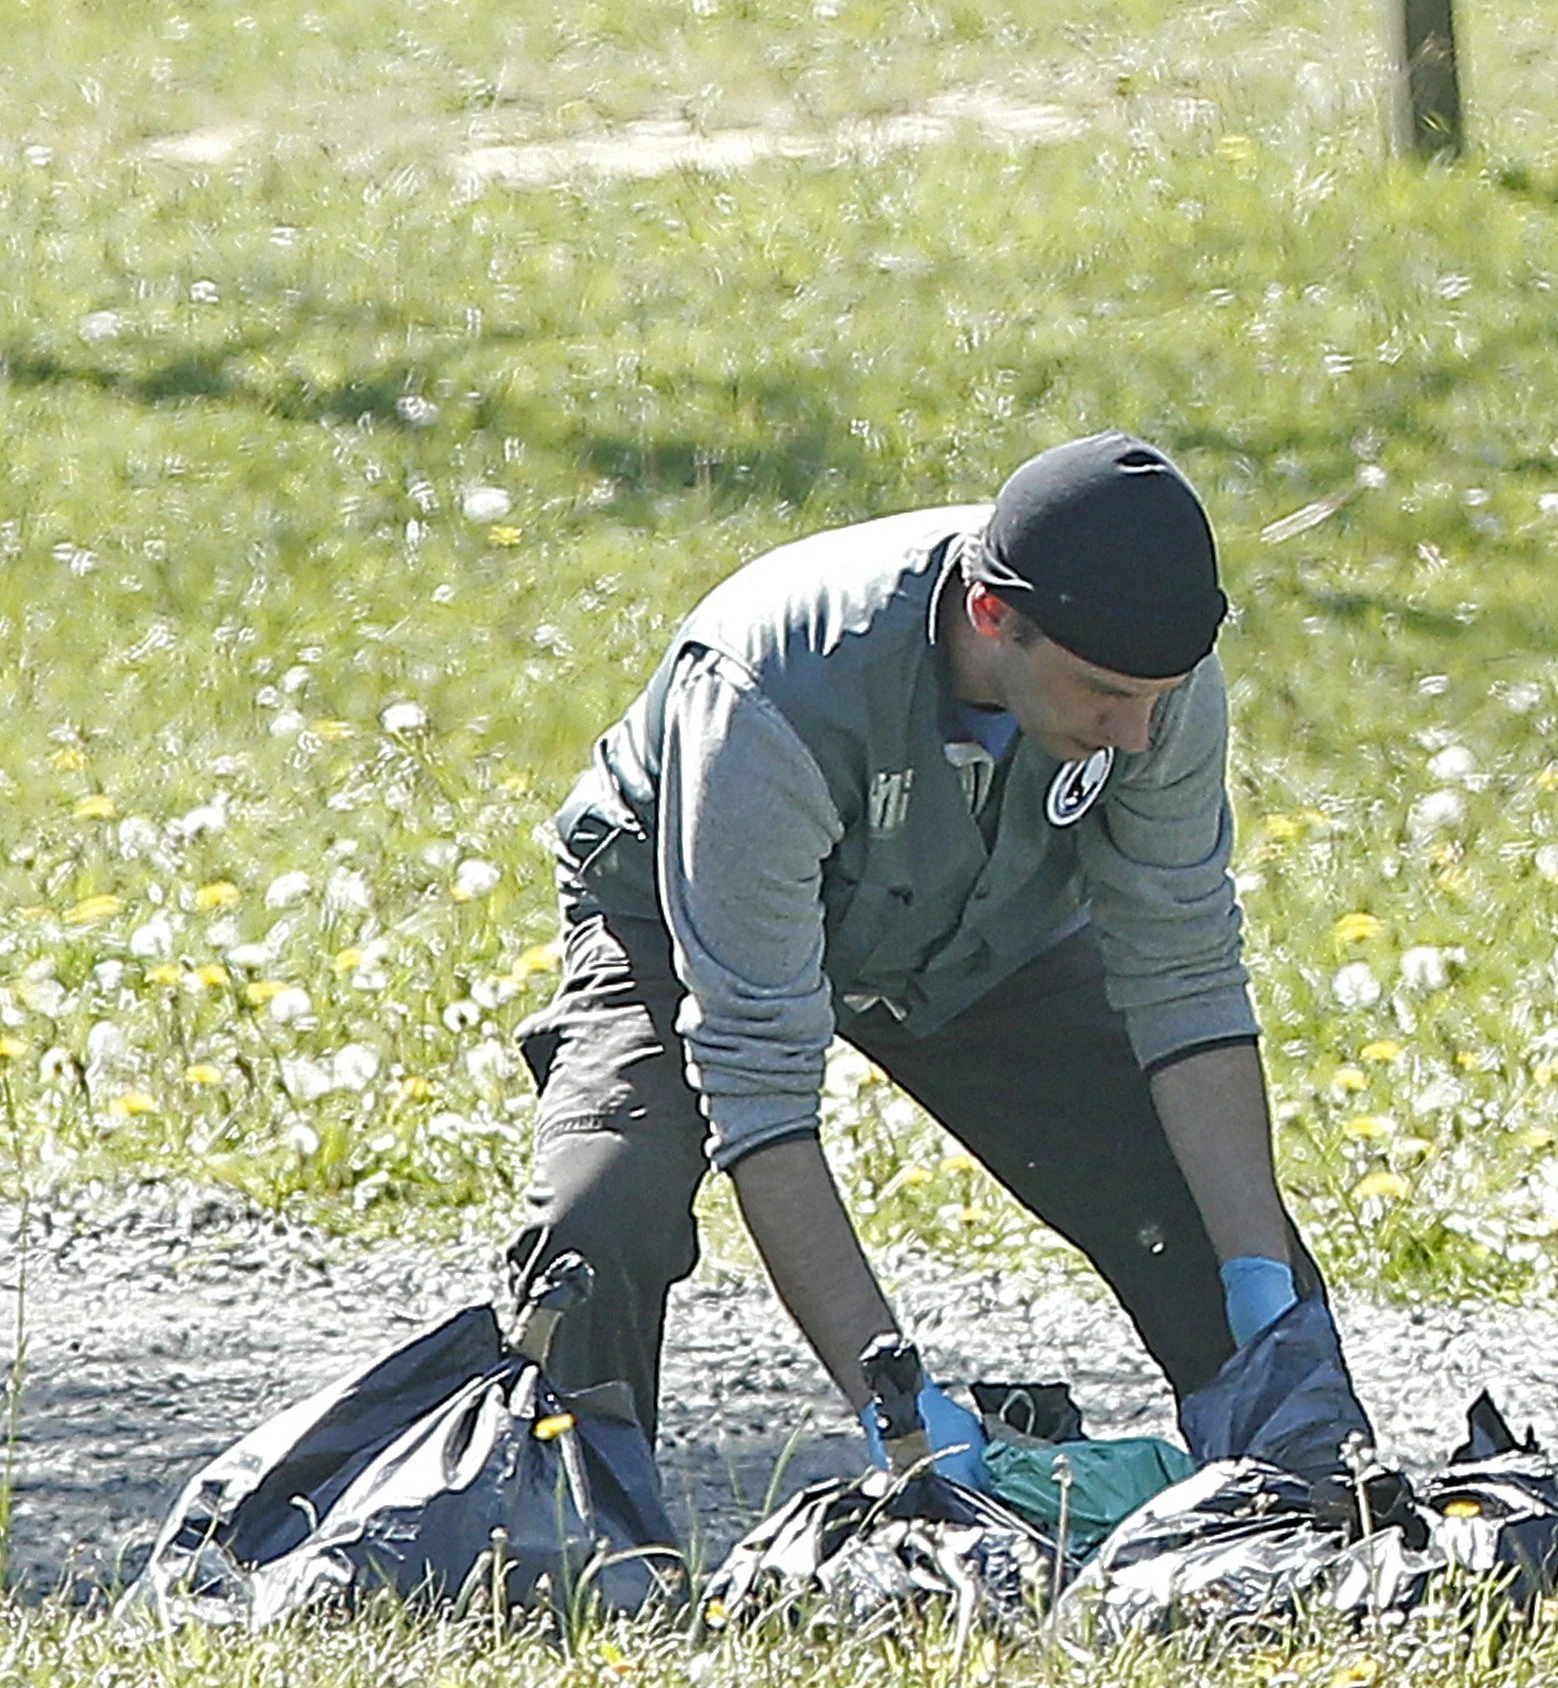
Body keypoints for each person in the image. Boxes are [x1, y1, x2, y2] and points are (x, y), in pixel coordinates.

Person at [508, 431, 1352, 1477]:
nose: (1137, 736)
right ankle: (570, 1524)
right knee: (605, 1206)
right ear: (993, 617)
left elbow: (1185, 974)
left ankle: (1298, 1496)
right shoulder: (776, 691)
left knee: (1196, 1211)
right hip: (682, 903)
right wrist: (893, 1407)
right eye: (1104, 696)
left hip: (987, 916)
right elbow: (757, 1078)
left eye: (1158, 697)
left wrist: (1262, 1292)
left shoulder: (1147, 673)